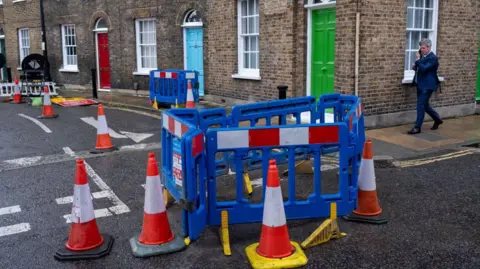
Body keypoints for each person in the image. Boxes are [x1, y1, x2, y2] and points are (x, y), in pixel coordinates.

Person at [408, 38, 443, 135]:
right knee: (425, 105)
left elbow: (424, 68)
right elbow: (418, 68)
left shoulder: (433, 58)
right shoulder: (423, 57)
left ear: (428, 47)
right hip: (420, 84)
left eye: (423, 48)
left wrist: (418, 60)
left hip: (428, 85)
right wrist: (415, 65)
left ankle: (417, 127)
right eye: (421, 48)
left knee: (420, 105)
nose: (421, 50)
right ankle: (437, 119)